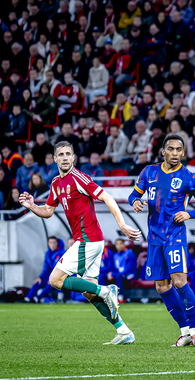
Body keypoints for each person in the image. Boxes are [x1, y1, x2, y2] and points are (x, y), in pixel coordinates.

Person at [19, 141, 141, 345]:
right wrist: (32, 206)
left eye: (69, 154)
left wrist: (122, 224)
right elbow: (48, 211)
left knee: (55, 280)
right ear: (55, 159)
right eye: (61, 154)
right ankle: (124, 331)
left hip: (88, 239)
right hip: (89, 241)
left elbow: (108, 197)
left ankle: (107, 291)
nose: (65, 157)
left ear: (73, 158)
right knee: (88, 291)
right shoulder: (56, 183)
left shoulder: (80, 178)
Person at [128, 135, 195, 347]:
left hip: (175, 236)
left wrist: (188, 214)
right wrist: (136, 202)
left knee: (179, 281)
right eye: (171, 149)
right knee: (161, 286)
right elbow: (132, 196)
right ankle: (184, 331)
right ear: (163, 151)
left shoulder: (189, 177)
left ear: (183, 153)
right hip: (155, 238)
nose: (175, 153)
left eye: (178, 150)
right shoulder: (149, 172)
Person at [24, 237, 65, 303]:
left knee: (51, 283)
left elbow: (60, 269)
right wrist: (40, 277)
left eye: (54, 242)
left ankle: (37, 298)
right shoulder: (47, 254)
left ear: (57, 243)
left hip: (58, 277)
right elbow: (45, 268)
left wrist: (52, 277)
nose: (52, 244)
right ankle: (27, 298)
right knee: (37, 282)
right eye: (51, 243)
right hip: (49, 276)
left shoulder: (62, 253)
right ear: (48, 243)